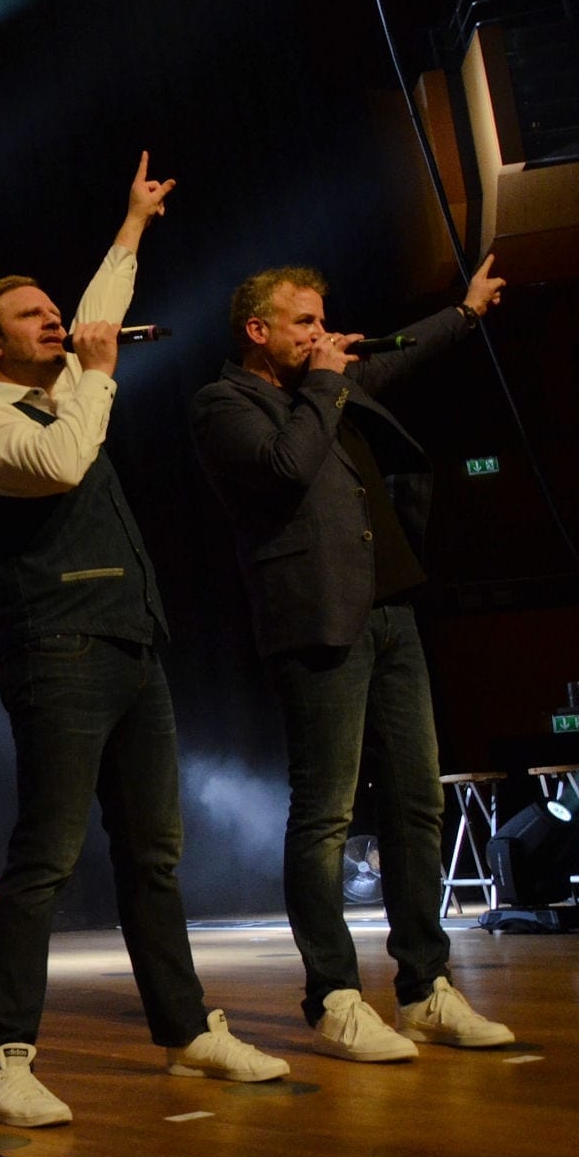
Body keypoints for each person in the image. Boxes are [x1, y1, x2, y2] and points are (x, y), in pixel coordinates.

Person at [0, 160, 289, 1128]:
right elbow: (62, 462)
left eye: (56, 312)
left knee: (153, 856)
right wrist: (95, 374)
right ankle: (2, 1056)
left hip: (131, 644)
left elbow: (96, 312)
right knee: (47, 855)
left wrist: (132, 226)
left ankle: (185, 1031)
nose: (56, 322)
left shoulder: (65, 382)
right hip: (57, 647)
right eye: (31, 317)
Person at [189, 256, 513, 1062]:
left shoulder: (328, 382)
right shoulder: (225, 403)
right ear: (257, 329)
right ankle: (334, 998)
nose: (322, 333)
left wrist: (466, 312)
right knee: (326, 814)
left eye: (323, 320)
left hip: (393, 609)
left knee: (417, 803)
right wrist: (329, 383)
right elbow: (284, 468)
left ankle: (424, 989)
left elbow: (399, 354)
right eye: (304, 321)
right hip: (317, 620)